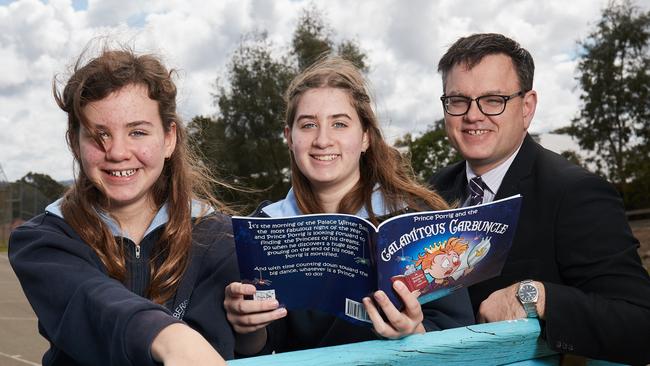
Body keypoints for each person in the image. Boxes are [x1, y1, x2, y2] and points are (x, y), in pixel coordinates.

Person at [224, 56, 475, 357]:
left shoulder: (418, 219)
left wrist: (414, 332)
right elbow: (260, 347)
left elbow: (460, 335)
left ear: (366, 137)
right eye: (308, 125)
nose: (323, 140)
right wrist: (246, 328)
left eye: (339, 124)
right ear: (289, 137)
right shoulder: (263, 227)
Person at [430, 33, 650, 364]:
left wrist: (537, 296)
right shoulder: (431, 192)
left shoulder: (575, 193)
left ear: (527, 107)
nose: (473, 116)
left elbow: (640, 323)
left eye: (493, 99)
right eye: (458, 100)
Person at [9, 48, 239, 366]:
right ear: (75, 143)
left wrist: (253, 330)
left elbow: (228, 344)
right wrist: (169, 336)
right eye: (99, 135)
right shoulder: (41, 241)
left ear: (169, 138)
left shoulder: (219, 236)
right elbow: (88, 300)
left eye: (137, 132)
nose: (117, 152)